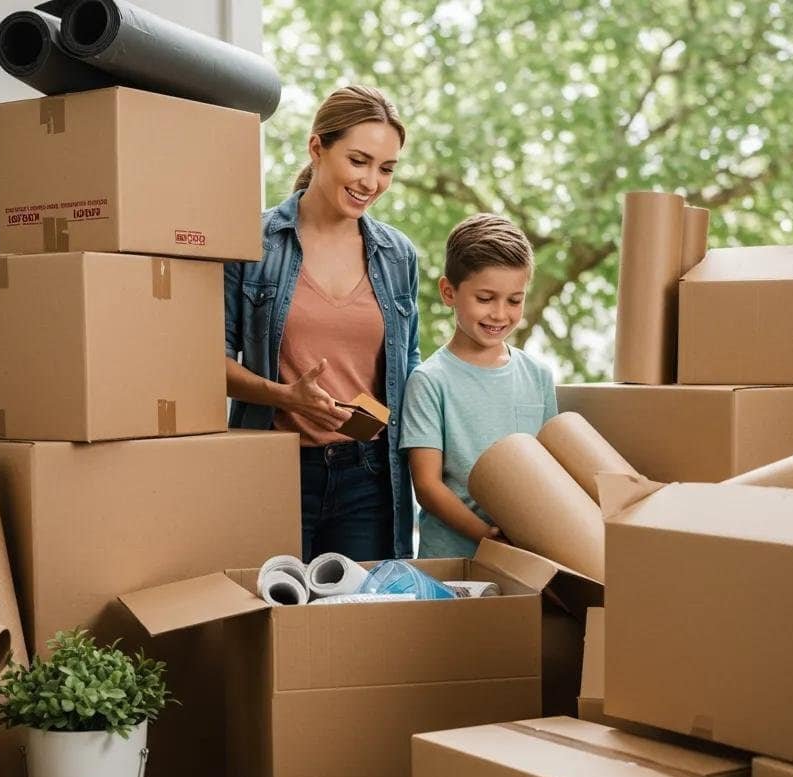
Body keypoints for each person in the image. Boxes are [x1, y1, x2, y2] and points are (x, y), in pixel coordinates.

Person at [223, 85, 420, 563]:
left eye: (386, 168)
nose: (371, 181)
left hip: (369, 476)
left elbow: (408, 367)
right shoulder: (252, 244)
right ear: (317, 148)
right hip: (277, 468)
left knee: (361, 621)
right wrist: (284, 396)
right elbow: (206, 362)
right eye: (359, 160)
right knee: (276, 620)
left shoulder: (398, 255)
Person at [400, 214, 557, 557]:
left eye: (514, 300)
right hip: (451, 560)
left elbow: (549, 475)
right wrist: (489, 537)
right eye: (485, 299)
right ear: (448, 292)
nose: (500, 314)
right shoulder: (429, 381)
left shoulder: (538, 376)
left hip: (525, 555)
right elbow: (427, 485)